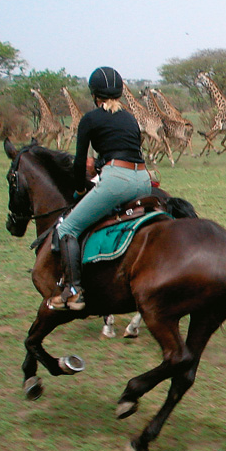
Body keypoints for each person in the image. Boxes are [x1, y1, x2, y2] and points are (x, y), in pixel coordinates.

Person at [49, 67, 153, 311]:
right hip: (144, 179)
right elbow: (127, 148)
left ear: (94, 94)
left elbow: (78, 162)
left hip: (117, 180)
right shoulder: (130, 118)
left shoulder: (90, 119)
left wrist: (79, 190)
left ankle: (74, 291)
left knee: (68, 228)